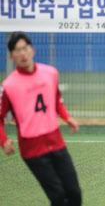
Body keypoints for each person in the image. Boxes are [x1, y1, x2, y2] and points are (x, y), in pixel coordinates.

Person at [0, 32, 82, 206]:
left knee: (74, 193)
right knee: (58, 197)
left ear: (32, 50)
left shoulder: (50, 73)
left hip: (56, 142)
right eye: (17, 50)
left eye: (25, 48)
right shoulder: (8, 86)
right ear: (11, 56)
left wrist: (67, 118)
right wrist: (4, 140)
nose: (22, 53)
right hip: (32, 149)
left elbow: (56, 100)